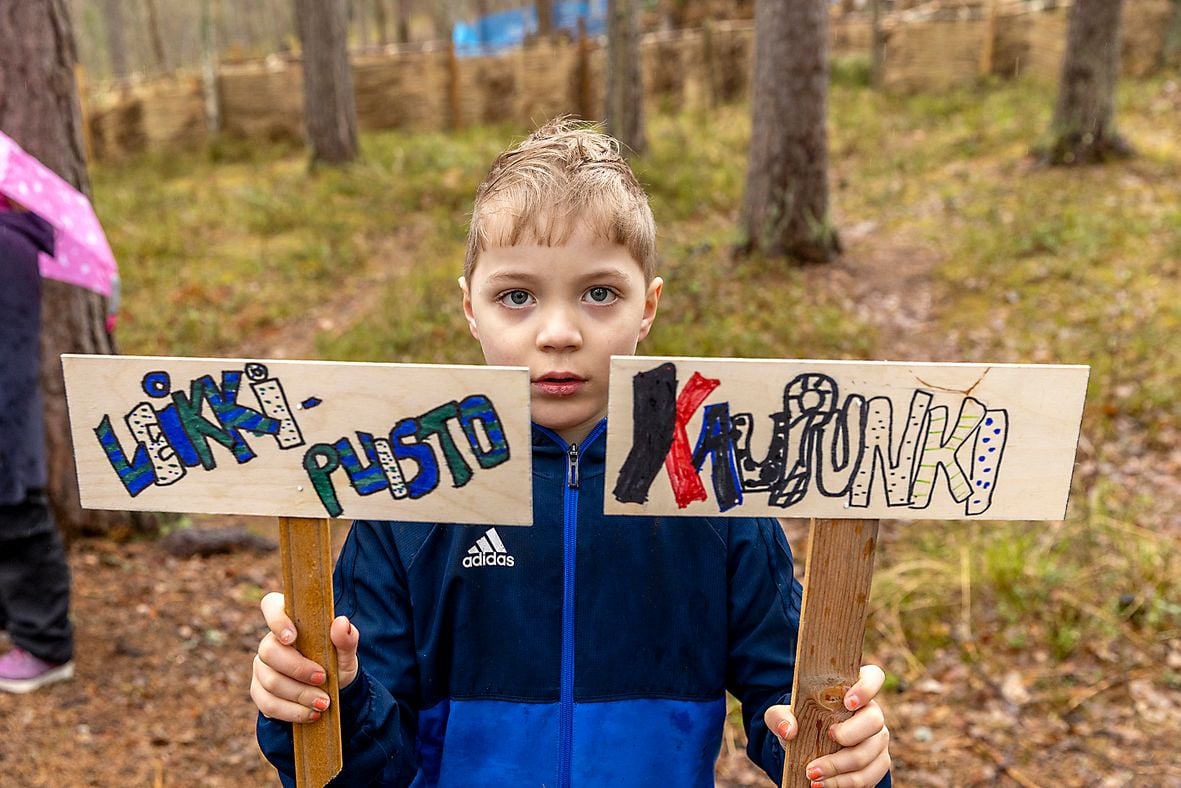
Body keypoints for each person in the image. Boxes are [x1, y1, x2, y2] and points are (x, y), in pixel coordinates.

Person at [252, 119, 891, 786]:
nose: (558, 333)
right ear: (470, 307)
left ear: (648, 306)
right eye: (517, 297)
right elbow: (365, 769)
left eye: (598, 294)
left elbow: (788, 706)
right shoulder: (412, 497)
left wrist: (842, 753)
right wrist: (326, 701)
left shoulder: (712, 482)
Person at [0, 195, 76, 693]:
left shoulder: (6, 243)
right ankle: (17, 625)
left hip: (5, 421)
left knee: (21, 526)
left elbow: (9, 345)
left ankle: (46, 645)